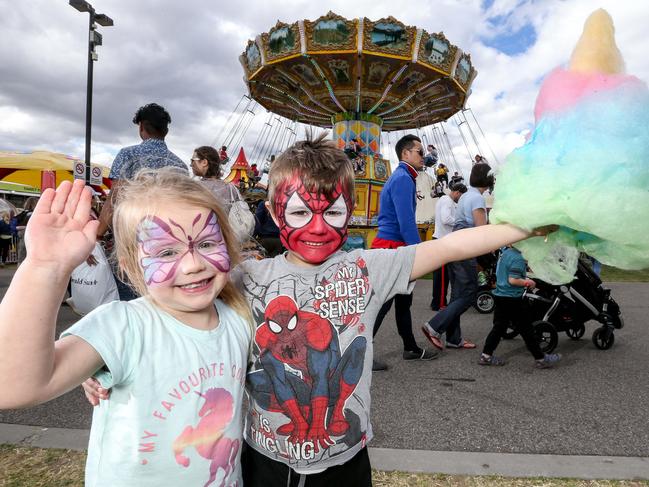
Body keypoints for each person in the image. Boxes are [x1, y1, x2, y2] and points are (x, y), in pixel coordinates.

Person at [83, 135, 550, 487]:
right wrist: (107, 363)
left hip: (345, 462)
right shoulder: (245, 278)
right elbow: (176, 306)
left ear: (352, 210)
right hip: (264, 459)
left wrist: (525, 227)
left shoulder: (370, 268)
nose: (317, 228)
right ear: (273, 209)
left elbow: (452, 245)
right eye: (301, 213)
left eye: (333, 212)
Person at [0, 171, 253, 485]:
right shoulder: (122, 325)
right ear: (130, 263)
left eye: (207, 243)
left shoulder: (239, 317)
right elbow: (11, 385)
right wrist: (44, 267)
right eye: (166, 252)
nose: (193, 264)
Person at [97, 103, 188, 301]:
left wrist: (98, 233)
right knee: (164, 301)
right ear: (166, 130)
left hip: (130, 242)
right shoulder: (180, 166)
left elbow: (115, 198)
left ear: (141, 127)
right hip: (170, 243)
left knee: (131, 303)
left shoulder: (128, 156)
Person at [371, 134, 437, 371]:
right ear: (406, 153)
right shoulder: (403, 179)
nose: (424, 157)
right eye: (420, 152)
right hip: (393, 248)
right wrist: (417, 251)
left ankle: (410, 347)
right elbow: (406, 221)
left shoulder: (402, 177)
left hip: (392, 246)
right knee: (385, 303)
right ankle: (360, 352)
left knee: (401, 301)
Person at [422, 163, 494, 350]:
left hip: (454, 244)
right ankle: (434, 326)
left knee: (457, 295)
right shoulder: (477, 198)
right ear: (488, 178)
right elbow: (481, 230)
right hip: (465, 248)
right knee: (469, 293)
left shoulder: (465, 196)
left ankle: (454, 338)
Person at [479, 245, 562, 369]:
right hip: (513, 298)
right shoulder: (517, 257)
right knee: (527, 329)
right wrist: (529, 282)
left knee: (499, 328)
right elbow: (513, 280)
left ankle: (486, 356)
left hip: (501, 295)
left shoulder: (506, 253)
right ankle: (541, 359)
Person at [430, 183, 467, 311]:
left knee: (441, 275)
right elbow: (446, 219)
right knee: (442, 276)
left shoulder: (445, 200)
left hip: (441, 240)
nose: (460, 199)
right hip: (442, 241)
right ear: (457, 192)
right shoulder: (447, 201)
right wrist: (461, 222)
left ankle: (438, 302)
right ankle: (439, 303)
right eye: (461, 196)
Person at [191, 145, 243, 213]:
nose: (191, 164)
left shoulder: (194, 187)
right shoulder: (231, 188)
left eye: (193, 160)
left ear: (204, 162)